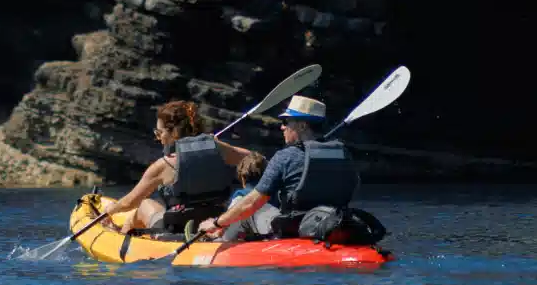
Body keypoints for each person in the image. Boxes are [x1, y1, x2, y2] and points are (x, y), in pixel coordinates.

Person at [197, 94, 358, 241]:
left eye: (286, 122)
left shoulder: (285, 156)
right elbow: (354, 185)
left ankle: (217, 243)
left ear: (302, 126)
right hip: (333, 223)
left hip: (294, 228)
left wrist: (218, 223)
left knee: (241, 201)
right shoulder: (342, 152)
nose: (282, 127)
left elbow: (252, 203)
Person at [101, 99, 255, 235]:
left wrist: (111, 210)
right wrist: (216, 147)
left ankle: (120, 236)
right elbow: (254, 159)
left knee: (144, 204)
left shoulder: (163, 165)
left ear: (173, 132)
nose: (158, 138)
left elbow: (129, 203)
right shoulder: (220, 149)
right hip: (215, 222)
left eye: (159, 132)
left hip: (178, 228)